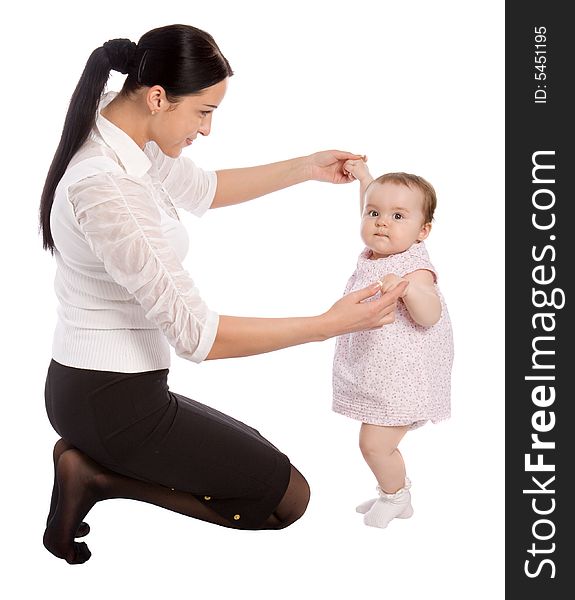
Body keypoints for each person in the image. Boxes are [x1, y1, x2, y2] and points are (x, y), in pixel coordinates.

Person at [38, 24, 407, 564]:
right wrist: (330, 324)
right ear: (159, 97)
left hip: (99, 390)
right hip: (112, 403)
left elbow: (202, 189)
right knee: (285, 500)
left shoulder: (124, 124)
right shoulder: (107, 188)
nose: (207, 129)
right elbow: (198, 336)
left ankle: (90, 465)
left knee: (259, 459)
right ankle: (94, 476)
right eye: (203, 112)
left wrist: (306, 168)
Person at [332, 158, 453, 529]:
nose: (382, 222)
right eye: (374, 213)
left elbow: (429, 314)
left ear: (423, 230)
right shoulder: (379, 250)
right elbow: (373, 206)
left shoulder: (414, 266)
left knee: (374, 444)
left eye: (399, 216)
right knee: (373, 438)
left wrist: (408, 289)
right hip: (379, 368)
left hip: (407, 374)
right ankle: (390, 490)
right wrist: (365, 179)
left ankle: (397, 496)